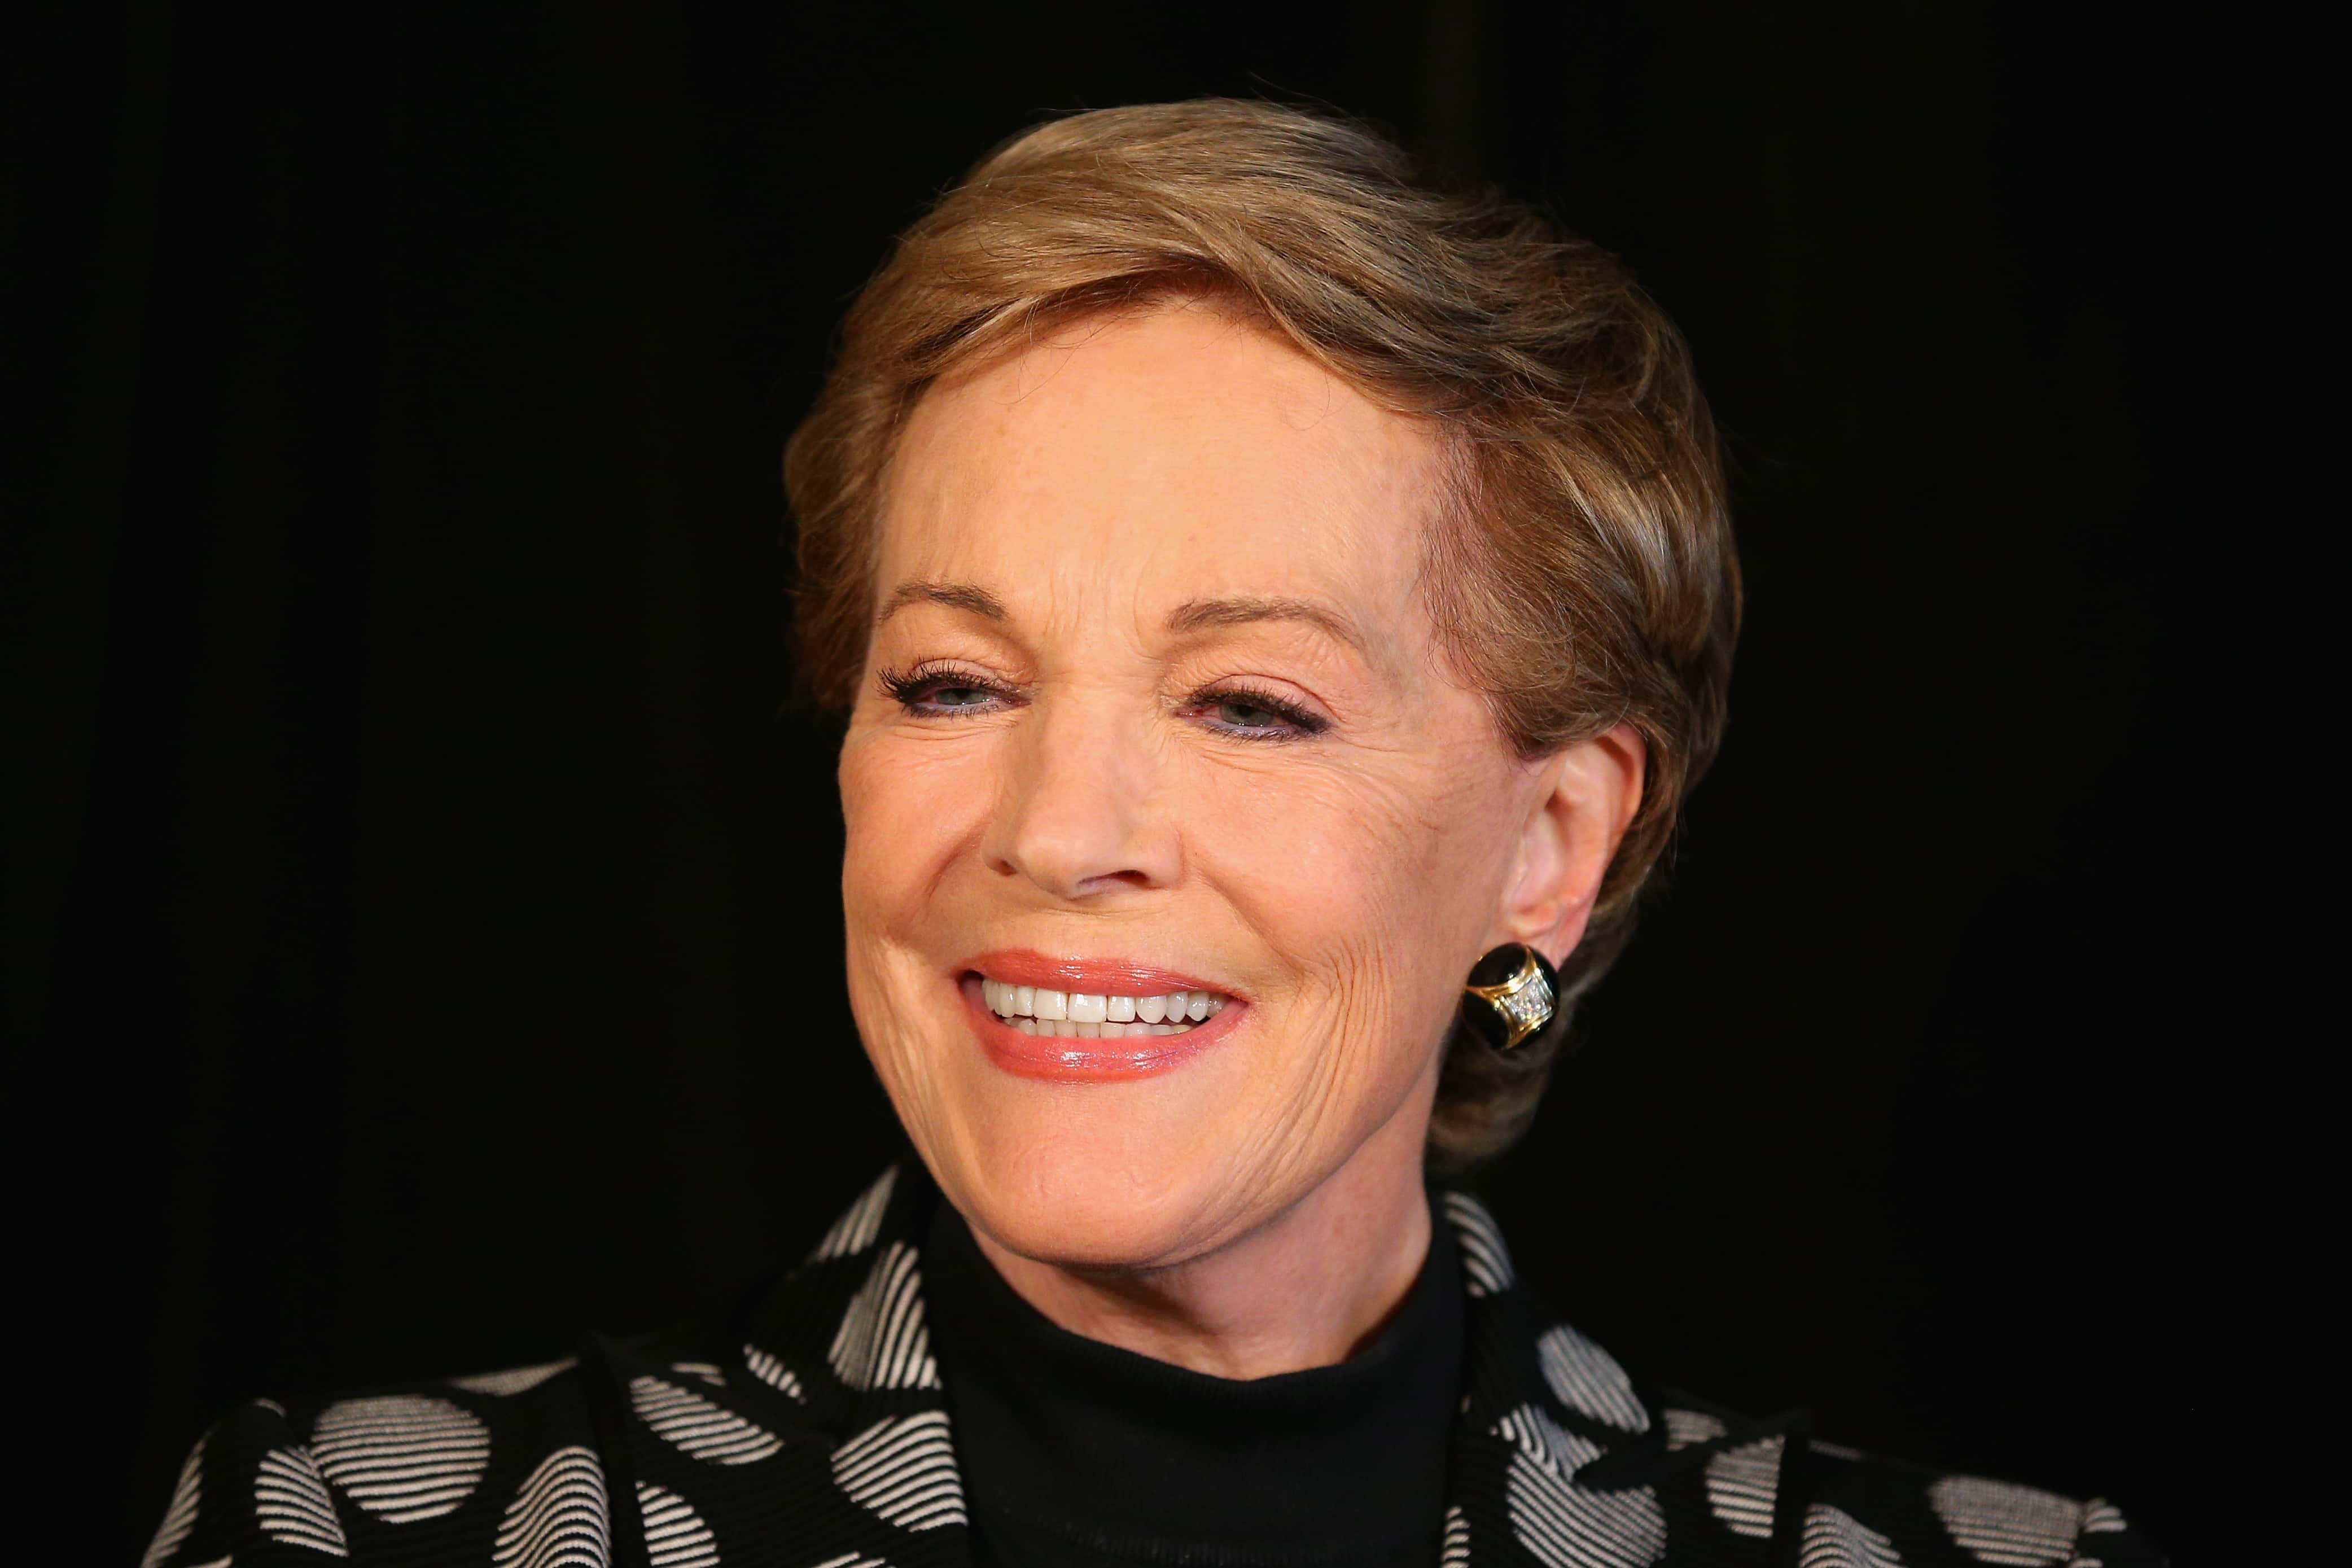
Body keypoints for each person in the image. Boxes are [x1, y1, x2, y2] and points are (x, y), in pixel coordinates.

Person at [141, 100, 2162, 1568]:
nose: (1060, 827)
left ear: (1551, 844)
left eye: (1248, 702)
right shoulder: (357, 1533)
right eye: (955, 681)